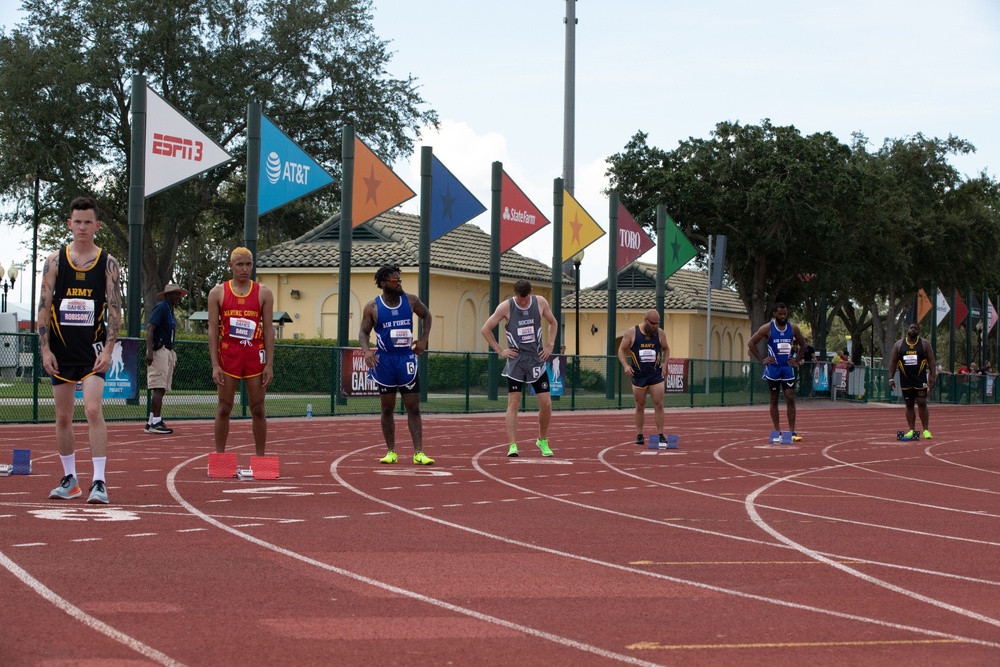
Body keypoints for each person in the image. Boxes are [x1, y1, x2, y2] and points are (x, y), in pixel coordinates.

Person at [37, 196, 122, 504]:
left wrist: (109, 349)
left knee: (93, 409)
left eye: (88, 222)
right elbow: (44, 307)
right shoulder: (55, 261)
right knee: (62, 416)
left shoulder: (108, 263)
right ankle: (70, 479)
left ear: (97, 226)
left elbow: (115, 310)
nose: (83, 227)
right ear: (69, 224)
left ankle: (98, 481)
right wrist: (45, 351)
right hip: (61, 351)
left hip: (93, 352)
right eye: (78, 221)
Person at [359, 264, 434, 465]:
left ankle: (419, 453)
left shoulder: (410, 301)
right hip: (385, 361)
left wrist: (423, 339)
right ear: (383, 283)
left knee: (413, 407)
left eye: (400, 279)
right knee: (387, 408)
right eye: (394, 280)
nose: (399, 282)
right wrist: (366, 351)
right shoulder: (372, 307)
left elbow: (427, 315)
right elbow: (363, 333)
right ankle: (391, 451)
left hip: (406, 359)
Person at [207, 248, 274, 456]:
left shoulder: (263, 292)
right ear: (231, 266)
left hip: (254, 354)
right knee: (224, 407)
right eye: (240, 264)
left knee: (258, 408)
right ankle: (219, 455)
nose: (245, 269)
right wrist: (215, 364)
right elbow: (212, 329)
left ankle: (260, 457)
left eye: (248, 264)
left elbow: (269, 329)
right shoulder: (218, 292)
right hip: (229, 354)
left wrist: (269, 364)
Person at [481, 279, 559, 457]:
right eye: (520, 299)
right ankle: (513, 445)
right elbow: (486, 329)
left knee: (546, 404)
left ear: (531, 292)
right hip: (516, 361)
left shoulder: (540, 302)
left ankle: (542, 439)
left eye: (525, 299)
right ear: (515, 294)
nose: (523, 302)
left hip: (536, 360)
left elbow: (554, 323)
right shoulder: (505, 307)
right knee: (513, 403)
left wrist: (550, 345)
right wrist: (500, 350)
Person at [747, 302, 806, 441]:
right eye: (780, 314)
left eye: (785, 313)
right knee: (774, 399)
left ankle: (791, 431)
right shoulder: (767, 328)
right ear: (775, 314)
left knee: (790, 398)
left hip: (787, 369)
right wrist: (762, 360)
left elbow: (803, 344)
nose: (783, 316)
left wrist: (796, 360)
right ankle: (777, 430)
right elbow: (751, 343)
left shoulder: (793, 328)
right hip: (773, 369)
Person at [618, 309, 671, 445]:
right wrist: (625, 365)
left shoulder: (660, 333)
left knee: (658, 404)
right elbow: (621, 350)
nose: (654, 326)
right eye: (652, 323)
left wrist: (664, 363)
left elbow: (666, 349)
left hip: (655, 374)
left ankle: (660, 434)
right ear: (645, 320)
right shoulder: (632, 332)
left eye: (657, 324)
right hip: (639, 374)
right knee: (640, 405)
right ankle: (639, 434)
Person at [144, 282, 188, 434]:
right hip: (159, 350)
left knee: (162, 387)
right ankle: (156, 422)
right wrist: (149, 351)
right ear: (168, 295)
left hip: (167, 350)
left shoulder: (169, 310)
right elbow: (150, 328)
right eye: (176, 294)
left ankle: (151, 421)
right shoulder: (161, 307)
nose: (179, 297)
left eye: (179, 294)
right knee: (159, 386)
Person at [887, 322, 936, 439]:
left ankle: (926, 431)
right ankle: (911, 430)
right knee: (909, 404)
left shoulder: (924, 344)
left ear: (918, 331)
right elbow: (893, 362)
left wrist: (933, 376)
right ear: (907, 329)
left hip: (920, 379)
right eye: (911, 328)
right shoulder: (899, 345)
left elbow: (931, 361)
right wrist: (891, 378)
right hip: (905, 380)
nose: (913, 329)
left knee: (921, 402)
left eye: (916, 328)